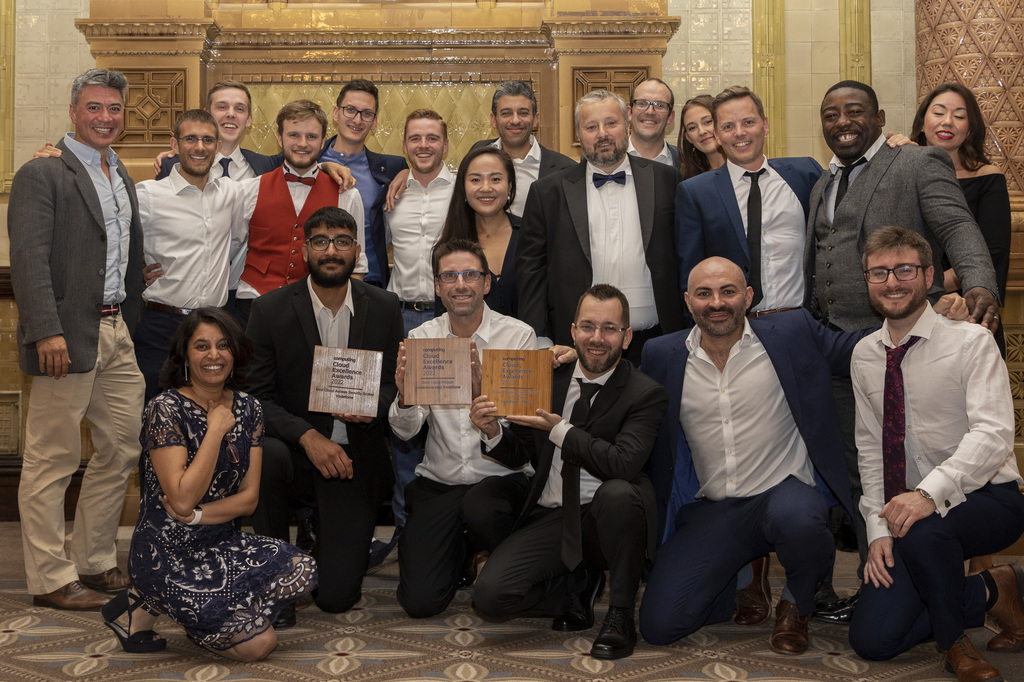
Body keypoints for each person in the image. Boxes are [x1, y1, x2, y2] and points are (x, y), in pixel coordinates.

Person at [803, 79, 1001, 586]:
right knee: (860, 466)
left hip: (901, 339)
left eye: (855, 111)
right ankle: (879, 578)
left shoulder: (915, 161)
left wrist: (978, 282)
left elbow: (957, 225)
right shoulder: (824, 182)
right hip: (838, 346)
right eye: (831, 114)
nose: (842, 122)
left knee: (913, 458)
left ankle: (928, 580)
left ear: (880, 118)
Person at [638, 257, 859, 655]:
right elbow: (622, 393)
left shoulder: (791, 332)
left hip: (783, 495)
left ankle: (796, 602)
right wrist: (573, 361)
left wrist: (925, 317)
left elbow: (857, 350)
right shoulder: (661, 354)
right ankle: (742, 572)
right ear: (688, 301)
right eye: (704, 293)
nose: (716, 303)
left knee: (802, 523)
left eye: (728, 291)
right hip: (714, 508)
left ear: (748, 296)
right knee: (660, 626)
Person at [849, 226, 1024, 682]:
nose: (892, 282)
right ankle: (992, 589)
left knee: (925, 531)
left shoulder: (971, 342)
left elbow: (993, 435)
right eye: (879, 272)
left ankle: (954, 643)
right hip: (907, 513)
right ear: (867, 281)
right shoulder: (864, 354)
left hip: (988, 498)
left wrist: (928, 494)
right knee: (873, 640)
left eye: (904, 270)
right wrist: (877, 529)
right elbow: (870, 447)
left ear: (929, 276)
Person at [8, 68, 145, 610]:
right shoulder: (42, 172)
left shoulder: (119, 172)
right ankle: (49, 577)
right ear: (73, 111)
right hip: (66, 334)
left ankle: (93, 559)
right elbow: (30, 259)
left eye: (114, 108)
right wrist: (47, 330)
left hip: (115, 329)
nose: (105, 117)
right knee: (52, 458)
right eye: (94, 107)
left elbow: (108, 247)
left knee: (123, 446)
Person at [472, 285, 668, 660]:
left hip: (606, 519)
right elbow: (523, 452)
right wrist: (493, 431)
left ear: (627, 337)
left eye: (610, 328)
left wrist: (560, 429)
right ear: (573, 331)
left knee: (618, 494)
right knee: (490, 598)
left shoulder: (645, 393)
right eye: (588, 327)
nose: (597, 338)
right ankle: (573, 585)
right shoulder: (548, 377)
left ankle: (620, 615)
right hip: (554, 514)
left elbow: (623, 464)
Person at [109, 307, 316, 661]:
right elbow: (181, 497)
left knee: (301, 568)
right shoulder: (165, 409)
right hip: (165, 555)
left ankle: (156, 607)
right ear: (185, 355)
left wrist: (198, 516)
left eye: (223, 345)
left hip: (220, 543)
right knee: (259, 645)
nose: (214, 355)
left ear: (234, 354)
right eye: (201, 346)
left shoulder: (249, 408)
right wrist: (215, 429)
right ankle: (152, 597)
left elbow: (248, 500)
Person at [246, 206, 402, 618]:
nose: (331, 251)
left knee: (335, 598)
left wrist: (372, 408)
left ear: (357, 251)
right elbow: (255, 398)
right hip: (294, 453)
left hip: (353, 459)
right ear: (305, 250)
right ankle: (273, 578)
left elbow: (394, 385)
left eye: (342, 242)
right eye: (321, 242)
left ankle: (319, 535)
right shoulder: (269, 309)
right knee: (265, 457)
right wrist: (308, 437)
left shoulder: (385, 307)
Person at [389, 239, 537, 618]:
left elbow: (525, 441)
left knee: (482, 508)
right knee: (420, 603)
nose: (460, 284)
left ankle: (489, 551)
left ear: (486, 283)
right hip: (441, 482)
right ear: (437, 287)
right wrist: (404, 398)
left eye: (470, 274)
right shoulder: (422, 339)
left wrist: (489, 420)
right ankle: (469, 555)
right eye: (449, 276)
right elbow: (406, 433)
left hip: (501, 481)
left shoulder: (518, 337)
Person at [517, 89, 685, 363]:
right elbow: (531, 271)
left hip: (657, 342)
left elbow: (684, 258)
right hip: (577, 348)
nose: (602, 134)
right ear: (578, 134)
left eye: (611, 123)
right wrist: (540, 339)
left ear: (627, 124)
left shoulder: (667, 180)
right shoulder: (547, 192)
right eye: (591, 127)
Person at [133, 109, 249, 402]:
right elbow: (114, 244)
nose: (200, 147)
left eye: (208, 140)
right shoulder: (147, 195)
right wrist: (136, 273)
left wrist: (327, 165)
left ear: (218, 147)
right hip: (162, 326)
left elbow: (285, 174)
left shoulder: (232, 193)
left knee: (211, 413)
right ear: (174, 145)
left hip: (215, 327)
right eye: (190, 139)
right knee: (153, 411)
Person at [676, 86, 822, 317]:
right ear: (717, 135)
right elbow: (691, 276)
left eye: (748, 122)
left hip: (803, 321)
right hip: (734, 327)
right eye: (728, 126)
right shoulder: (695, 193)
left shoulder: (805, 174)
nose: (739, 133)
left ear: (765, 125)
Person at [234, 99, 366, 327]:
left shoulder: (347, 195)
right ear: (280, 138)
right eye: (294, 135)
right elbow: (230, 248)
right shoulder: (249, 190)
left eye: (311, 136)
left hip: (321, 308)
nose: (302, 143)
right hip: (255, 301)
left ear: (323, 141)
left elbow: (357, 263)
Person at [910, 82, 1011, 354]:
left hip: (969, 311)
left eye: (959, 115)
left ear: (970, 129)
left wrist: (924, 285)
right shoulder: (904, 172)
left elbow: (992, 254)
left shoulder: (988, 177)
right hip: (910, 310)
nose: (947, 121)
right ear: (921, 123)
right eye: (938, 112)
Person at [322, 79, 409, 286]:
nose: (357, 120)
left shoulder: (392, 168)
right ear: (336, 113)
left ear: (374, 121)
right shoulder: (311, 160)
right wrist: (321, 166)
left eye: (366, 113)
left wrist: (409, 173)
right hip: (315, 281)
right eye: (350, 110)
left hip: (370, 283)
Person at [471, 80, 576, 217]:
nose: (515, 120)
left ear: (535, 119)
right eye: (506, 113)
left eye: (523, 113)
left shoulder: (565, 170)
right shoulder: (477, 153)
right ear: (493, 120)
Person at [437, 146, 520, 317]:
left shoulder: (532, 235)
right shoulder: (448, 245)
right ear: (463, 187)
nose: (486, 188)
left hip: (530, 334)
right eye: (475, 180)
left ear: (510, 186)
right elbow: (444, 316)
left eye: (495, 179)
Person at [627, 78, 679, 169]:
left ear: (670, 117)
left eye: (659, 105)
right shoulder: (606, 158)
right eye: (642, 103)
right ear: (629, 113)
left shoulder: (688, 163)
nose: (650, 112)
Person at [677, 94, 725, 180]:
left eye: (707, 122)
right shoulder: (688, 180)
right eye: (692, 128)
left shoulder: (746, 168)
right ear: (688, 138)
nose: (701, 132)